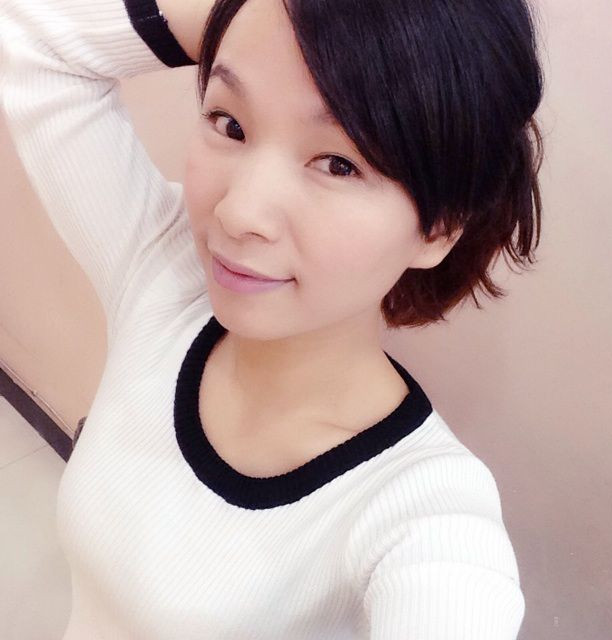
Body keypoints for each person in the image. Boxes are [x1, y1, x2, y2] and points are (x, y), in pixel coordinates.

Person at [0, 0, 544, 637]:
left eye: (338, 164)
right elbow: (33, 39)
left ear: (441, 227)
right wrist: (262, 17)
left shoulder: (423, 512)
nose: (239, 214)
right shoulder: (163, 275)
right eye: (230, 123)